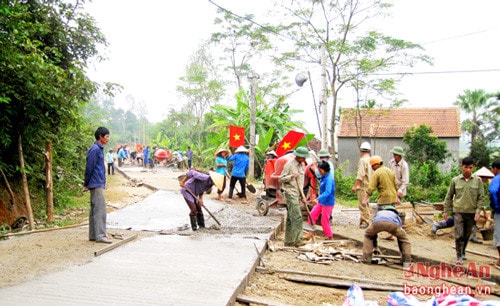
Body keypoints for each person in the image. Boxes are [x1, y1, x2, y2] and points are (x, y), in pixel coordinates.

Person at [444, 157, 485, 265]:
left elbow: (481, 197)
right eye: (466, 167)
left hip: (471, 212)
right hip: (458, 211)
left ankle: (463, 251)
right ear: (462, 166)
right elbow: (449, 196)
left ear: (473, 168)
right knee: (459, 234)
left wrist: (478, 211)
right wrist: (446, 211)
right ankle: (459, 256)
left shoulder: (478, 181)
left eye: (470, 168)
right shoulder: (455, 180)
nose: (468, 170)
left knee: (467, 234)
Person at [84, 127, 112, 244]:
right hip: (96, 183)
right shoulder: (95, 150)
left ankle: (93, 235)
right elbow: (89, 167)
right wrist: (86, 183)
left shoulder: (99, 149)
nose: (108, 139)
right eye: (106, 137)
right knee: (100, 210)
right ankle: (100, 235)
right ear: (100, 136)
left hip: (97, 182)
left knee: (95, 209)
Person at [279, 146, 309, 247]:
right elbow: (281, 179)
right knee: (297, 217)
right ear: (298, 156)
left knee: (290, 218)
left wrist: (303, 196)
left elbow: (300, 184)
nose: (304, 159)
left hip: (297, 193)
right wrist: (291, 176)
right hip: (290, 192)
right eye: (303, 157)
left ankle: (288, 241)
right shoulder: (289, 165)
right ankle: (298, 240)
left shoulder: (302, 165)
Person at [308, 161, 335, 240]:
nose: (319, 172)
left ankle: (330, 237)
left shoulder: (329, 179)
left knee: (324, 220)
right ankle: (311, 233)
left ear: (324, 170)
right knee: (312, 215)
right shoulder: (323, 177)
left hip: (328, 202)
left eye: (320, 170)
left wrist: (318, 199)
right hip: (321, 201)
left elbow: (328, 192)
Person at [351, 142, 372, 229]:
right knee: (366, 203)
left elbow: (361, 175)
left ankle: (366, 221)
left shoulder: (363, 160)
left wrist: (355, 186)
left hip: (364, 185)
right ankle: (364, 219)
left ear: (361, 150)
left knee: (363, 204)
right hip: (369, 185)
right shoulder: (370, 160)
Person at [489, 159, 500, 267]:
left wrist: (495, 205)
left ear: (495, 169)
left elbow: (492, 191)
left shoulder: (497, 179)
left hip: (499, 211)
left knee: (498, 236)